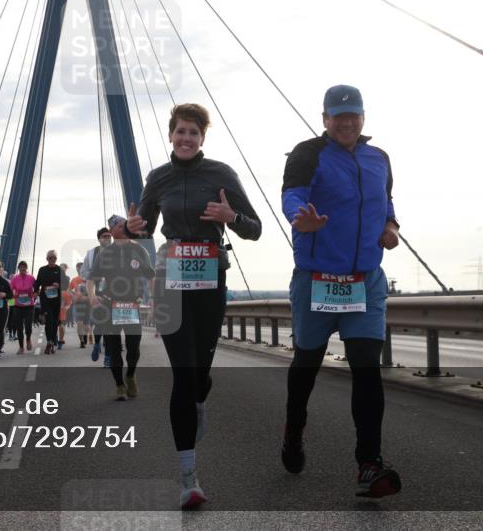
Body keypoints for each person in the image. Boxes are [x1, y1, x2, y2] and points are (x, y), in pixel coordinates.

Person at [123, 103, 262, 509]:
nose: (186, 139)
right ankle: (188, 478)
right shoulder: (158, 177)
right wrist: (131, 227)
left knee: (199, 376)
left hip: (210, 280)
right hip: (170, 282)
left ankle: (199, 399)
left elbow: (254, 228)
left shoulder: (221, 174)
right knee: (184, 376)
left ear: (202, 139)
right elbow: (142, 223)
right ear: (171, 135)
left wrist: (230, 215)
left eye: (194, 133)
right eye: (181, 131)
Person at [280, 85, 402, 498]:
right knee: (306, 369)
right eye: (338, 115)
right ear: (325, 118)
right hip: (317, 280)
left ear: (363, 117)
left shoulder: (379, 158)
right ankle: (293, 433)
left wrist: (391, 228)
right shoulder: (308, 153)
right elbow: (293, 194)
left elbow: (386, 202)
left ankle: (369, 463)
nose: (347, 122)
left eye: (354, 115)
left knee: (367, 368)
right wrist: (301, 218)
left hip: (364, 282)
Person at [88, 215, 155, 400]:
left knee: (133, 347)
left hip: (132, 305)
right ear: (113, 231)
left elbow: (150, 276)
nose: (124, 227)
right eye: (119, 225)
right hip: (110, 304)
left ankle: (131, 375)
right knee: (113, 347)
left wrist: (153, 300)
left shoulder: (139, 249)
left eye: (125, 224)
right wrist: (92, 296)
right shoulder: (105, 253)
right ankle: (119, 386)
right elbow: (92, 280)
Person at [83, 227, 114, 362]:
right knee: (100, 322)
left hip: (113, 292)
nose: (107, 238)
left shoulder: (117, 252)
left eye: (109, 236)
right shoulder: (91, 253)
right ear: (99, 239)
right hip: (96, 292)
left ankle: (107, 355)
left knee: (109, 324)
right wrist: (92, 290)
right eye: (104, 236)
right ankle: (97, 344)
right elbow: (84, 272)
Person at [35, 250, 63, 354]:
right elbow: (37, 283)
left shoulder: (59, 270)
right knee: (49, 321)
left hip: (56, 300)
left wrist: (59, 284)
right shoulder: (42, 270)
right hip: (45, 299)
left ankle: (52, 342)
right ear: (47, 259)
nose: (52, 260)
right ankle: (49, 342)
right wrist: (35, 291)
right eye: (50, 258)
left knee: (55, 322)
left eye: (54, 258)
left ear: (56, 259)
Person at [11, 261, 35, 353]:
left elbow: (36, 288)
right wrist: (12, 299)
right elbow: (10, 290)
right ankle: (21, 347)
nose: (22, 268)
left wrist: (35, 294)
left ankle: (28, 339)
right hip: (18, 306)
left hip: (29, 306)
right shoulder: (14, 278)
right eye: (21, 267)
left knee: (28, 326)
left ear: (26, 268)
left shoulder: (31, 278)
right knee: (19, 328)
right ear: (18, 268)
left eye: (24, 267)